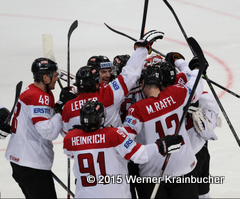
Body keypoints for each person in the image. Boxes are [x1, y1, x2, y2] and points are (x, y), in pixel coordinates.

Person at [63, 100, 184, 198]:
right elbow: (140, 155)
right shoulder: (113, 134)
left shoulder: (70, 138)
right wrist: (161, 145)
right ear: (100, 119)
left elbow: (69, 154)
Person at [121, 59, 204, 198]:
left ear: (143, 83)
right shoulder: (176, 93)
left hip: (151, 175)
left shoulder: (137, 109)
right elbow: (196, 86)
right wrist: (197, 68)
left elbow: (123, 139)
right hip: (184, 168)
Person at [61, 30, 165, 136]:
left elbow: (66, 134)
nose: (107, 75)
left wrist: (59, 107)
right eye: (102, 72)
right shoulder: (108, 93)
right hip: (115, 147)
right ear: (97, 82)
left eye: (108, 71)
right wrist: (142, 48)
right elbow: (130, 73)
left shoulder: (68, 107)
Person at [4, 58, 71, 198]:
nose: (57, 78)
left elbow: (45, 118)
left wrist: (59, 104)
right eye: (54, 75)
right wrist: (61, 109)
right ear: (45, 78)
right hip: (31, 164)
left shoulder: (33, 91)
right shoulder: (39, 97)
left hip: (22, 160)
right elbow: (48, 132)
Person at [185, 56, 222, 198]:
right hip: (190, 154)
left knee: (202, 193)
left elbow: (208, 132)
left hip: (196, 153)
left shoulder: (204, 98)